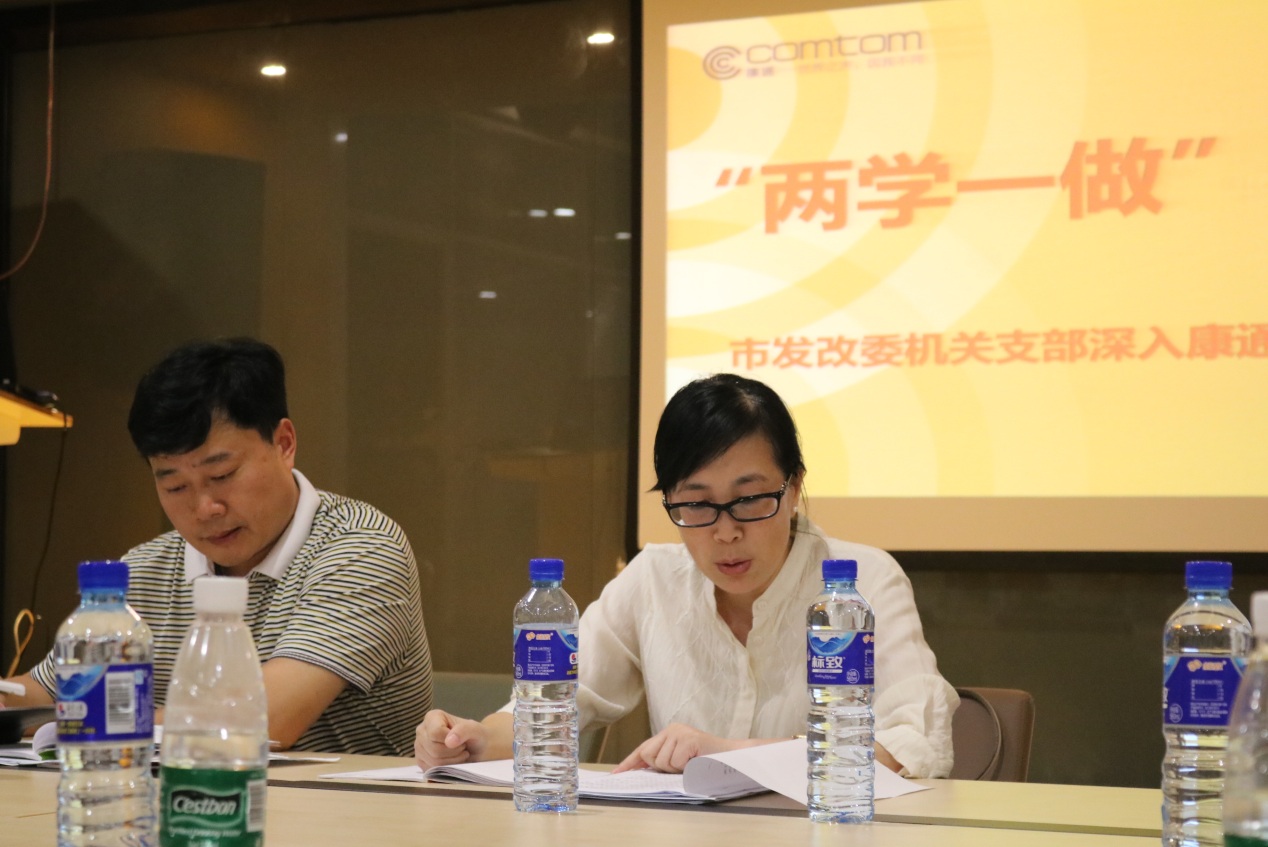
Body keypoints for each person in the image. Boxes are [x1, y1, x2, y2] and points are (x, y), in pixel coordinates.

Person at [415, 373, 957, 777]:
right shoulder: (654, 577)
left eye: (749, 499)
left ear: (793, 488)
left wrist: (728, 755)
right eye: (696, 505)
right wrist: (470, 739)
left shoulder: (863, 581)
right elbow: (556, 704)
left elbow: (911, 746)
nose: (725, 532)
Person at [0, 338, 433, 756]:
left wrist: (87, 720)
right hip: (175, 798)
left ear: (284, 444)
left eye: (222, 475)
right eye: (175, 486)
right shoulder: (146, 569)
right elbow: (45, 693)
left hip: (338, 806)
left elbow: (262, 720)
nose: (205, 508)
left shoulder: (361, 548)